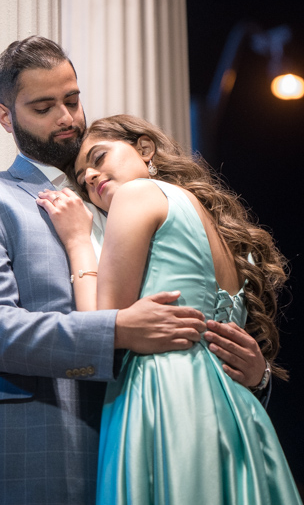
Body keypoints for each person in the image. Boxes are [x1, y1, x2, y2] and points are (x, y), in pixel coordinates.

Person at [0, 37, 268, 505]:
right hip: (38, 453)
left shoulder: (127, 194)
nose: (66, 117)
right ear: (5, 116)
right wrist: (116, 330)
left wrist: (258, 376)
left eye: (72, 100)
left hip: (153, 442)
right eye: (44, 107)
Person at [38, 114, 301, 505]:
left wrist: (78, 240)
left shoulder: (137, 193)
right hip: (237, 411)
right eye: (82, 177)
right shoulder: (221, 230)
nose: (90, 176)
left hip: (166, 393)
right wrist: (260, 377)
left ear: (144, 149)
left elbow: (102, 325)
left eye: (99, 157)